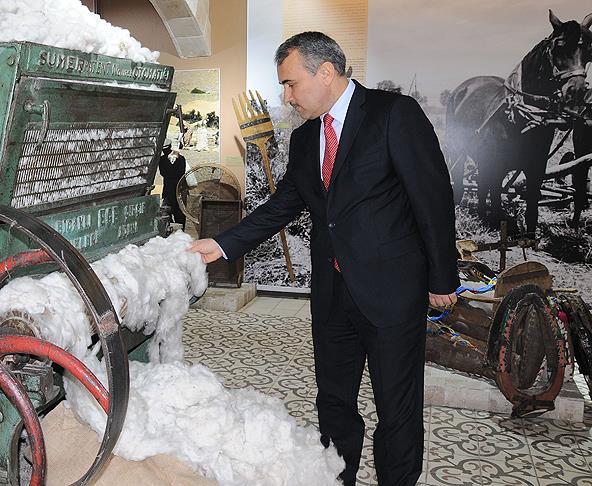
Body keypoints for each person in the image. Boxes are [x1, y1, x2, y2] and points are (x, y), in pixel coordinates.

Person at [188, 32, 458, 485]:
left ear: (326, 72)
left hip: (392, 296)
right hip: (333, 297)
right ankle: (337, 478)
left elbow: (432, 199)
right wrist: (223, 245)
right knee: (333, 403)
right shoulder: (306, 135)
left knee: (398, 408)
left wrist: (442, 278)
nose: (286, 96)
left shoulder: (393, 115)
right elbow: (285, 203)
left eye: (291, 84)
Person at [158, 140, 187, 228]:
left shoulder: (162, 160)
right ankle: (179, 231)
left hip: (169, 190)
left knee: (167, 212)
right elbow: (182, 172)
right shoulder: (180, 158)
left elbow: (163, 173)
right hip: (179, 190)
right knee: (179, 214)